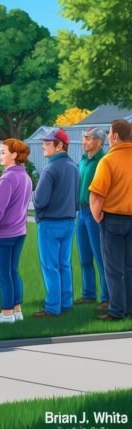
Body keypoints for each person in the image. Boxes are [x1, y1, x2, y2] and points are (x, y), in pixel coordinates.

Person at [0, 139, 32, 323]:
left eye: (3, 152)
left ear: (15, 155)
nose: (0, 155)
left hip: (2, 233)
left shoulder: (7, 178)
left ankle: (7, 313)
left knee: (4, 275)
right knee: (13, 271)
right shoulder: (25, 177)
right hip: (19, 231)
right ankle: (17, 310)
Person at [32, 128, 79, 318]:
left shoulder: (50, 168)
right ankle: (66, 302)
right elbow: (77, 197)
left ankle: (52, 307)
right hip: (69, 222)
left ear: (60, 145)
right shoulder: (74, 167)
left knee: (50, 266)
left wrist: (34, 196)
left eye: (48, 143)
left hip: (50, 223)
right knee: (64, 264)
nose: (44, 146)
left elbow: (40, 200)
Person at [89, 119, 132, 320]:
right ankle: (129, 309)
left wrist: (97, 216)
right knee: (129, 267)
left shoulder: (107, 160)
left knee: (113, 269)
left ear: (115, 136)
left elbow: (97, 193)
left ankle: (116, 311)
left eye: (109, 133)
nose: (108, 137)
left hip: (113, 220)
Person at [75, 127, 109, 310]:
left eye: (87, 138)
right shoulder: (82, 160)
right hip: (81, 213)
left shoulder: (103, 161)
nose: (84, 141)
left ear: (98, 141)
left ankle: (106, 297)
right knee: (84, 257)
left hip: (94, 213)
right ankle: (88, 294)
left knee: (101, 256)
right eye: (83, 138)